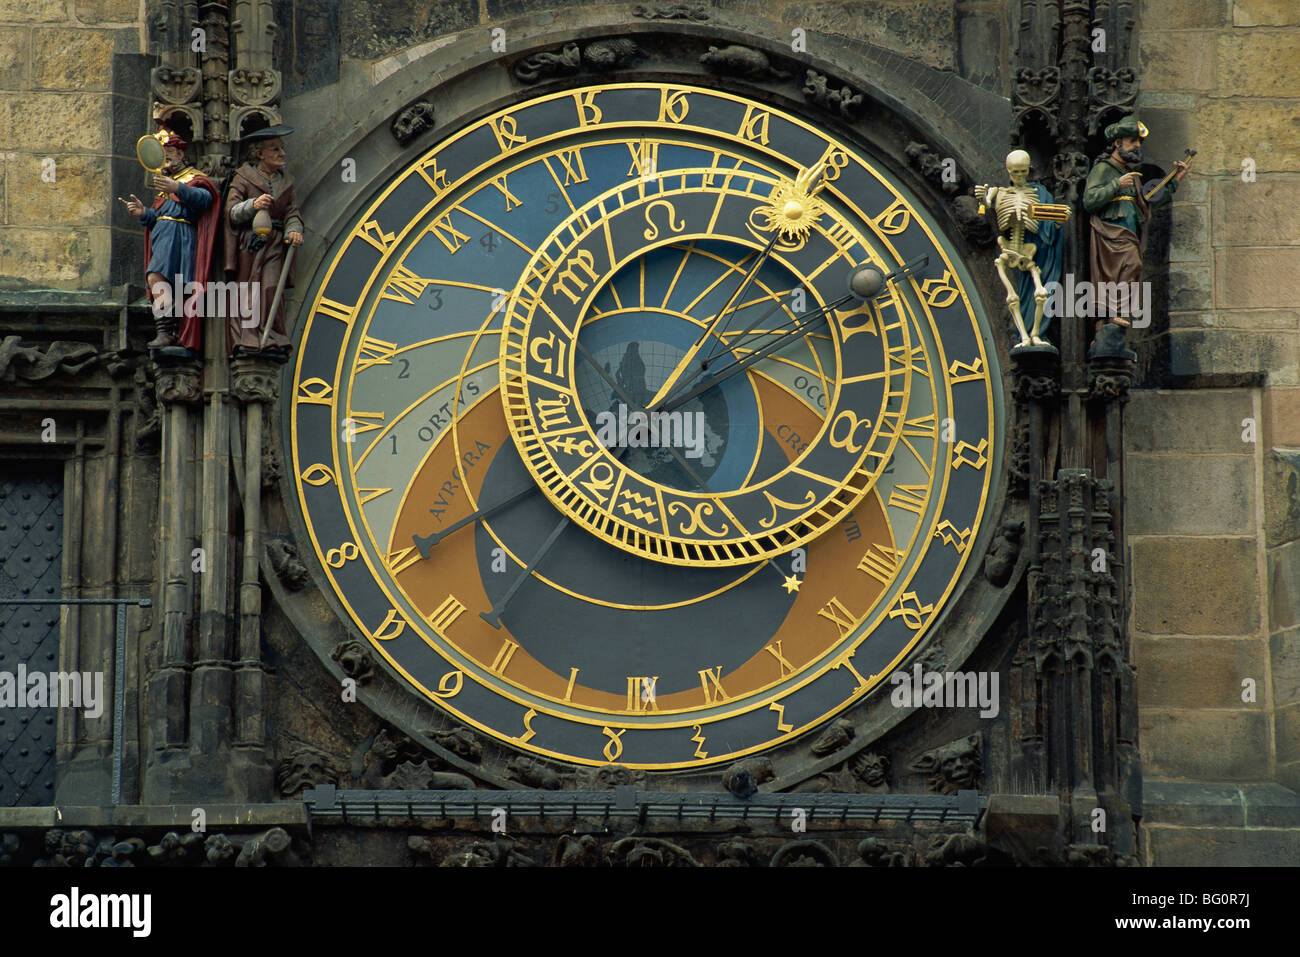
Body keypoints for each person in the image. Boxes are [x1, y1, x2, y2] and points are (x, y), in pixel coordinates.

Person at [1083, 117, 1188, 344]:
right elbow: (1089, 201)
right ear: (1118, 142)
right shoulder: (1104, 169)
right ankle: (1105, 319)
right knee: (1119, 271)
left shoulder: (1131, 175)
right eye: (1132, 141)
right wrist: (1116, 185)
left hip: (1129, 233)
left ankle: (1114, 316)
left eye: (1138, 143)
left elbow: (1147, 201)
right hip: (1109, 233)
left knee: (1130, 268)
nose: (1137, 146)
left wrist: (1175, 180)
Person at [121, 129, 220, 351]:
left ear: (181, 154)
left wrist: (178, 188)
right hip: (163, 236)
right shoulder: (166, 184)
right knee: (160, 282)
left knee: (161, 279)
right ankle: (167, 331)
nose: (167, 157)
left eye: (170, 152)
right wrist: (143, 213)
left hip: (180, 236)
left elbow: (206, 199)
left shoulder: (194, 178)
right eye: (163, 153)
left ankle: (169, 331)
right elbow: (158, 216)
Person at [223, 125, 303, 357]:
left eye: (282, 148)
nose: (282, 153)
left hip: (275, 242)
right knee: (250, 287)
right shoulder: (243, 177)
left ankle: (272, 336)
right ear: (259, 154)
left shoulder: (285, 182)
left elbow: (292, 213)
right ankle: (248, 336)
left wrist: (294, 230)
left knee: (270, 287)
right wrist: (253, 205)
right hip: (251, 242)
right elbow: (231, 212)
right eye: (275, 149)